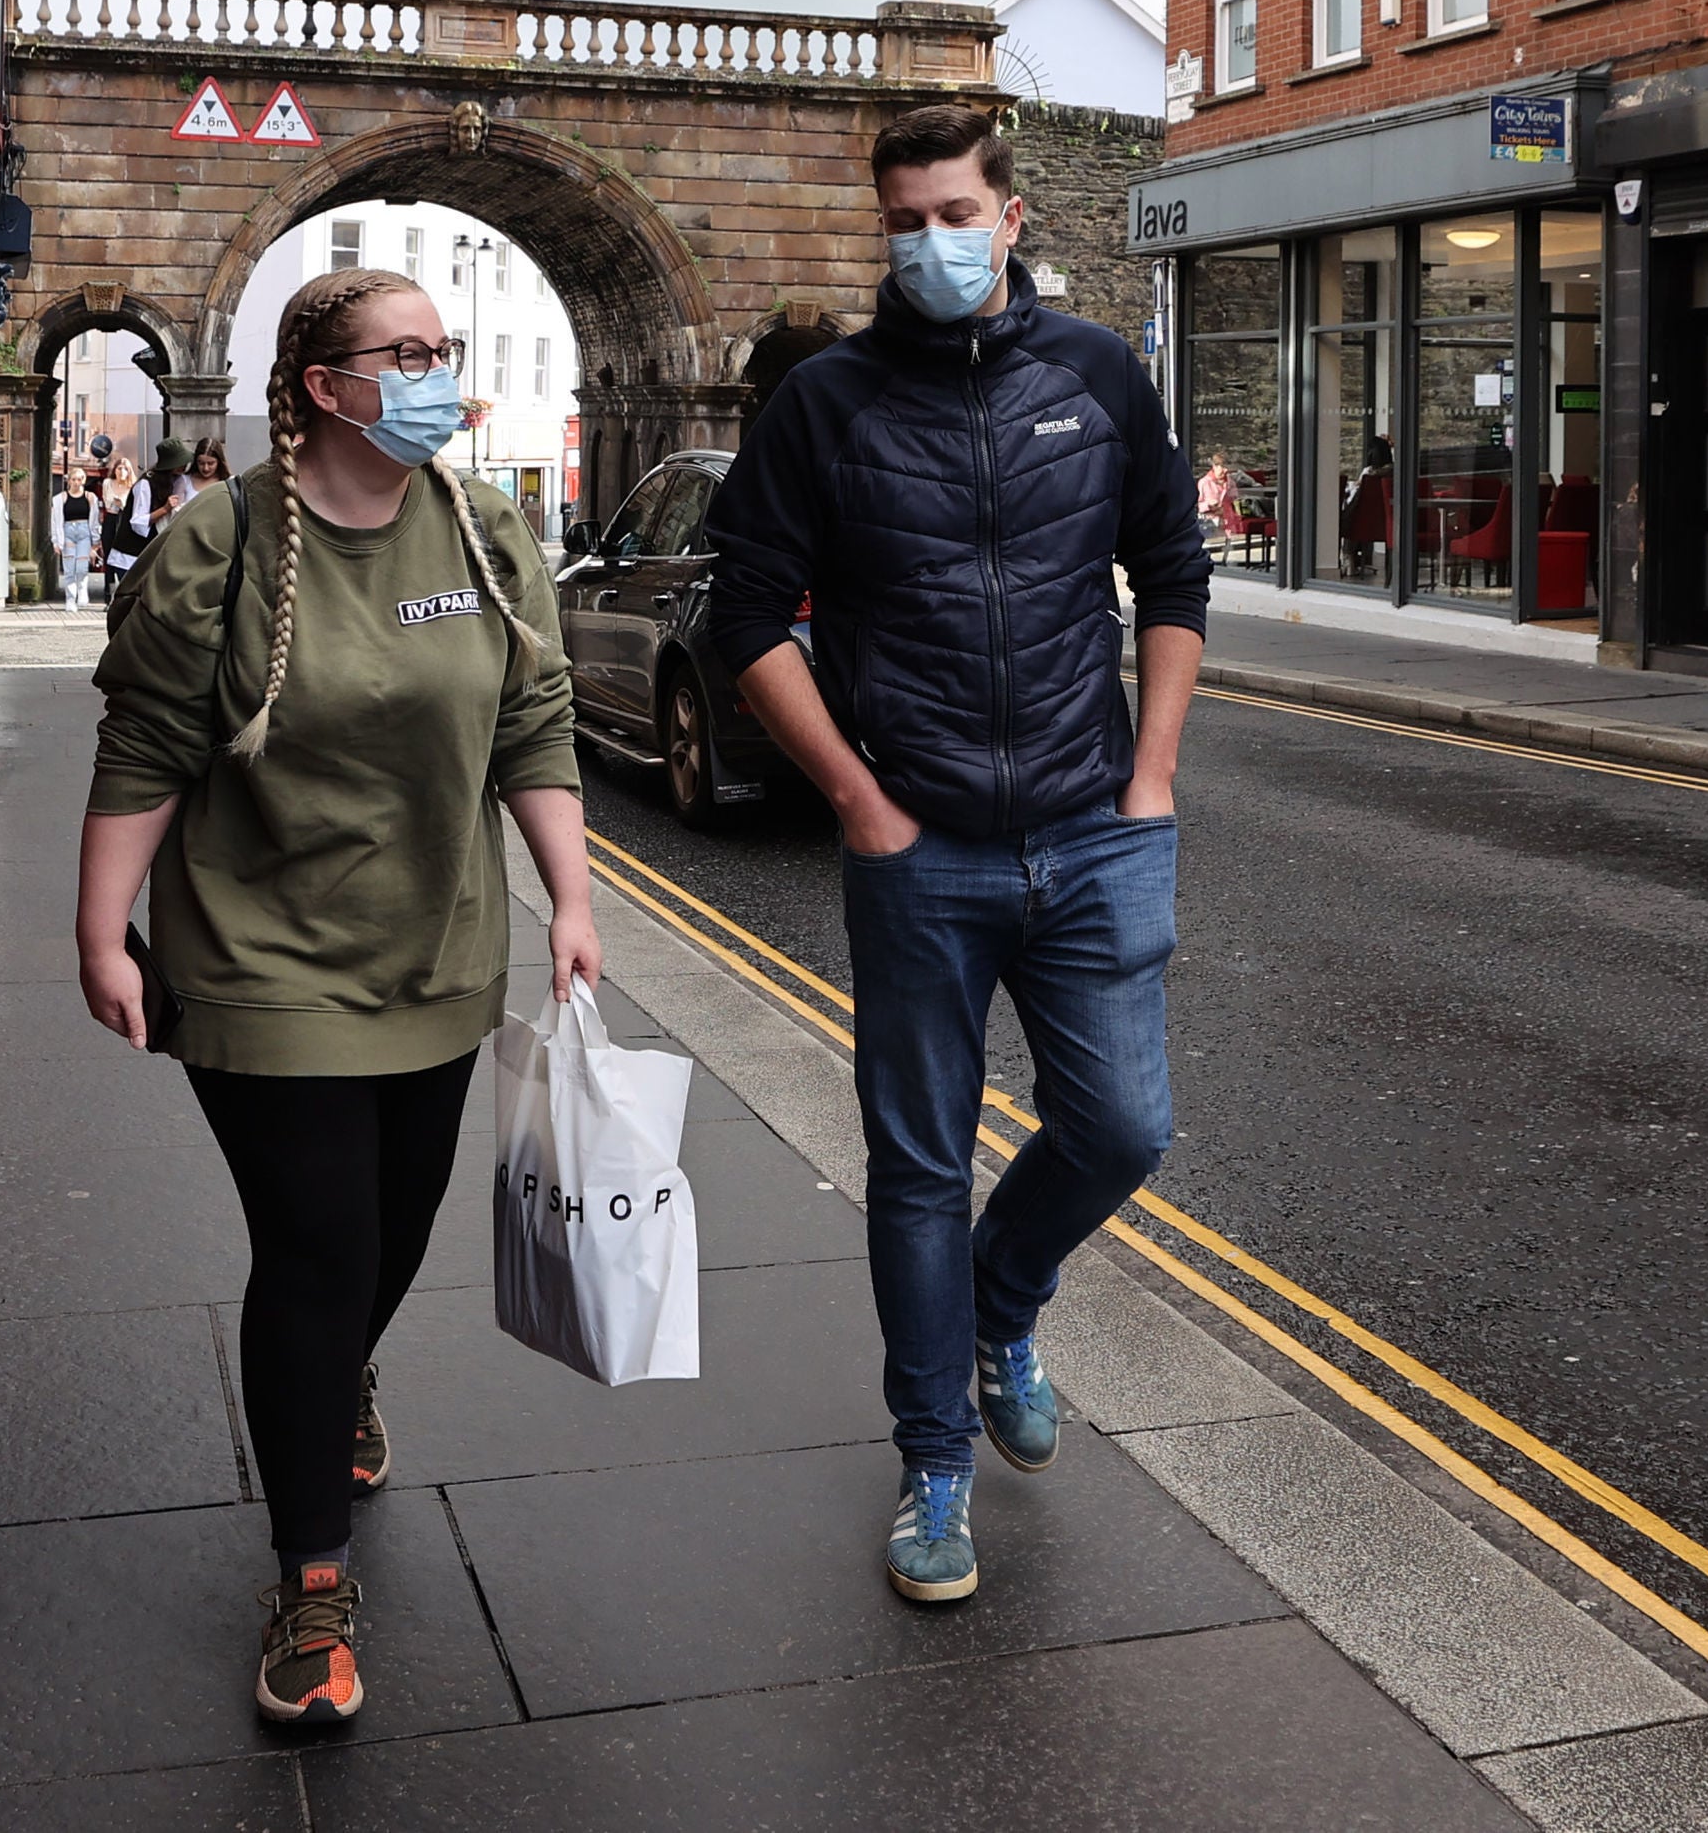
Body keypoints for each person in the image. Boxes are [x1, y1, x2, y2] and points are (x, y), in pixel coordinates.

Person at [699, 103, 1209, 1606]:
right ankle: (933, 1465)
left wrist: (1155, 775)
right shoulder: (825, 402)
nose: (929, 240)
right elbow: (746, 616)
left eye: (952, 212)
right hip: (918, 850)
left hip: (1093, 829)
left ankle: (1004, 1301)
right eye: (902, 219)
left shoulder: (1099, 373)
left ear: (1013, 214)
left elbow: (1170, 570)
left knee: (1122, 1128)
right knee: (918, 1165)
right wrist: (859, 799)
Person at [74, 266, 599, 1726]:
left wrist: (571, 894)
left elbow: (535, 717)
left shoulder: (487, 529)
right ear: (324, 386)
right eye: (409, 352)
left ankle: (336, 1379)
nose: (440, 374)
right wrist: (100, 928)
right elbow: (148, 745)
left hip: (436, 951)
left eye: (444, 350)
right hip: (257, 954)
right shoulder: (220, 540)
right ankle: (310, 1581)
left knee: (392, 1235)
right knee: (316, 1248)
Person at [104, 439, 190, 583]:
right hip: (131, 557)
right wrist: (165, 509)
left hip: (150, 557)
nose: (184, 466)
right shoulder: (146, 484)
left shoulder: (177, 480)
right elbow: (138, 522)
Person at [52, 471, 103, 609]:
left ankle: (82, 590)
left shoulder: (90, 497)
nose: (76, 482)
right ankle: (70, 599)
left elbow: (96, 520)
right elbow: (55, 521)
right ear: (69, 481)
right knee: (69, 569)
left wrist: (96, 541)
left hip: (84, 532)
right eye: (73, 479)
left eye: (79, 479)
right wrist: (56, 541)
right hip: (67, 532)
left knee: (81, 567)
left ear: (84, 481)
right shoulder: (60, 498)